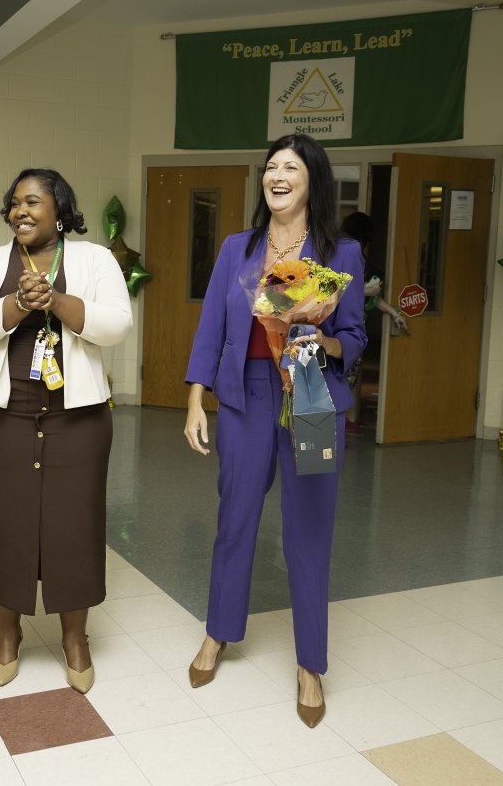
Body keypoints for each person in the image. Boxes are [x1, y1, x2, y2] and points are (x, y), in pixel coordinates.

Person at [183, 134, 366, 728]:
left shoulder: (342, 253)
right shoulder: (239, 248)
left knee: (309, 531)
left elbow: (358, 337)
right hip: (245, 395)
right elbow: (212, 326)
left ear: (313, 178)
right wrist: (195, 400)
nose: (277, 175)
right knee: (234, 518)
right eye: (269, 167)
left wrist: (326, 339)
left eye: (290, 166)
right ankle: (219, 633)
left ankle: (310, 664)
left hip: (311, 390)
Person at [0, 168, 132, 694]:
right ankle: (7, 632)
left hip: (78, 420)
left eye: (32, 201)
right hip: (4, 418)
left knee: (73, 526)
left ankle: (75, 638)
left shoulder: (94, 260)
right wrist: (15, 305)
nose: (20, 211)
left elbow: (117, 324)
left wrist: (55, 302)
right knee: (8, 522)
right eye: (13, 203)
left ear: (59, 209)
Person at [339, 211, 407, 432]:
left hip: (353, 331)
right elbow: (331, 291)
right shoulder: (341, 253)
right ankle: (332, 430)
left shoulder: (355, 255)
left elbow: (374, 297)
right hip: (338, 330)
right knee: (339, 381)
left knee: (347, 381)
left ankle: (340, 427)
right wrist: (366, 290)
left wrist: (394, 313)